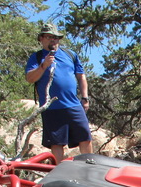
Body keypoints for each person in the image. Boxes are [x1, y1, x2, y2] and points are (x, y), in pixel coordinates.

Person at [25, 22, 94, 162]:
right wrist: (44, 65)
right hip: (51, 107)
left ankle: (90, 167)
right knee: (56, 143)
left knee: (85, 137)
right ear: (41, 39)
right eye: (49, 37)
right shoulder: (37, 57)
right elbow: (30, 78)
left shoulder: (70, 55)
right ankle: (59, 171)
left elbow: (81, 76)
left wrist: (85, 97)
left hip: (73, 104)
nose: (53, 40)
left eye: (56, 37)